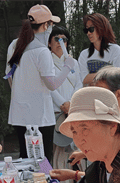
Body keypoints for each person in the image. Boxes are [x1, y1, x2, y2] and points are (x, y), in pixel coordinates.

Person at [52, 66, 120, 183]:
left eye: (101, 94)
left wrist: (74, 174)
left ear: (118, 95)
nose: (95, 101)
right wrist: (83, 154)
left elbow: (112, 176)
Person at [7, 4, 75, 162]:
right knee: (43, 160)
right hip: (40, 117)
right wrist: (67, 67)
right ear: (46, 25)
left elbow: (10, 77)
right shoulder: (42, 51)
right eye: (51, 24)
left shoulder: (14, 45)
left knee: (25, 158)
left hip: (20, 114)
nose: (52, 27)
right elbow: (52, 84)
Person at [49, 25, 82, 171]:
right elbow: (49, 87)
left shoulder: (73, 62)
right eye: (56, 39)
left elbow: (79, 84)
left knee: (76, 151)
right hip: (55, 114)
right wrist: (63, 104)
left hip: (73, 112)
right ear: (49, 42)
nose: (60, 42)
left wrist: (71, 104)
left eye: (64, 39)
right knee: (57, 153)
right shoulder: (46, 62)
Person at [77, 13, 120, 87]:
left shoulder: (115, 50)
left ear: (101, 28)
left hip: (111, 96)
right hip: (90, 95)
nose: (88, 33)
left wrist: (93, 77)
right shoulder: (84, 54)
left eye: (91, 29)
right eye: (86, 30)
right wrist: (109, 73)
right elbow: (84, 79)